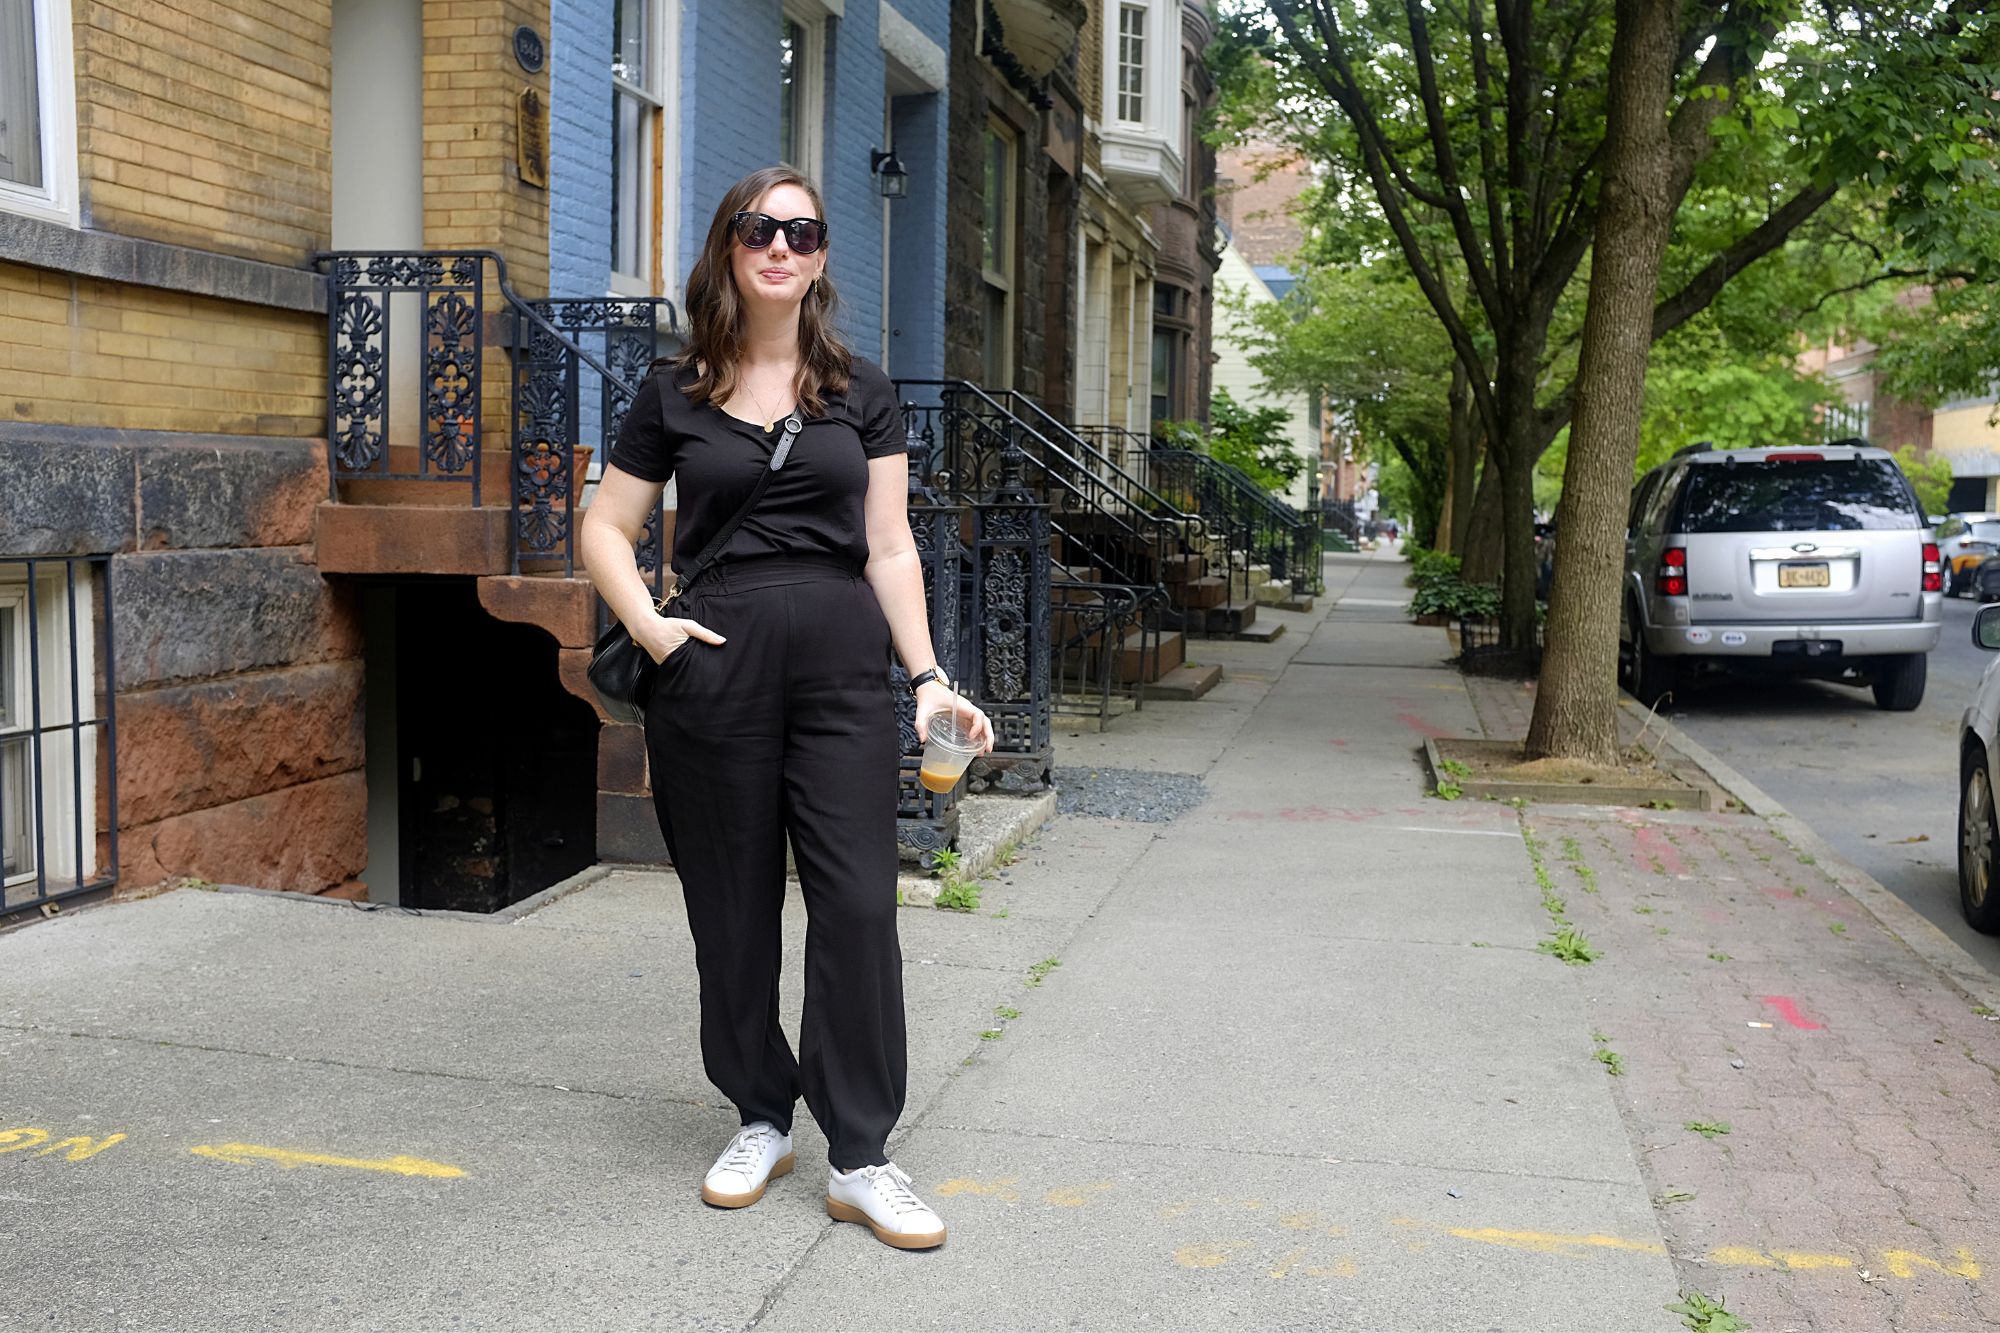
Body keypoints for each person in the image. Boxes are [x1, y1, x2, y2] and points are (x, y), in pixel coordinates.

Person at [580, 166, 994, 1251]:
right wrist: (652, 624)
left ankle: (859, 1153)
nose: (779, 245)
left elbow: (890, 545)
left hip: (842, 672)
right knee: (731, 908)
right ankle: (761, 1112)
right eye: (759, 228)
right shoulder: (674, 391)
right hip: (712, 670)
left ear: (818, 256)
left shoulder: (859, 390)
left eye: (800, 231)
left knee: (857, 903)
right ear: (727, 247)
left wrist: (927, 678)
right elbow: (602, 526)